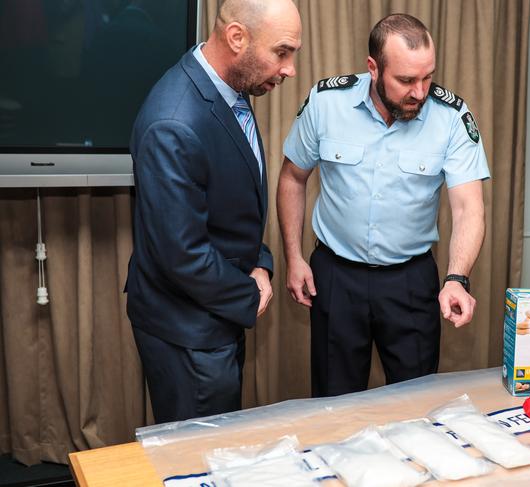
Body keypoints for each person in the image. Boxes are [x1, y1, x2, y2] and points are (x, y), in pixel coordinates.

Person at [277, 14, 489, 397]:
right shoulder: (327, 103)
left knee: (415, 406)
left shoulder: (451, 117)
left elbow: (468, 208)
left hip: (409, 281)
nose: (420, 92)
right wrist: (294, 257)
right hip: (336, 277)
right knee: (334, 403)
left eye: (428, 77)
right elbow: (292, 178)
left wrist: (457, 278)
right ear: (373, 68)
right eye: (406, 80)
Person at [125, 0, 302, 423]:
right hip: (189, 333)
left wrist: (259, 262)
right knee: (200, 457)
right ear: (237, 38)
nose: (290, 69)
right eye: (282, 52)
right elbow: (182, 254)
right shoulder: (175, 123)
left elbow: (232, 204)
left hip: (212, 312)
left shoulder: (227, 87)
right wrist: (251, 293)